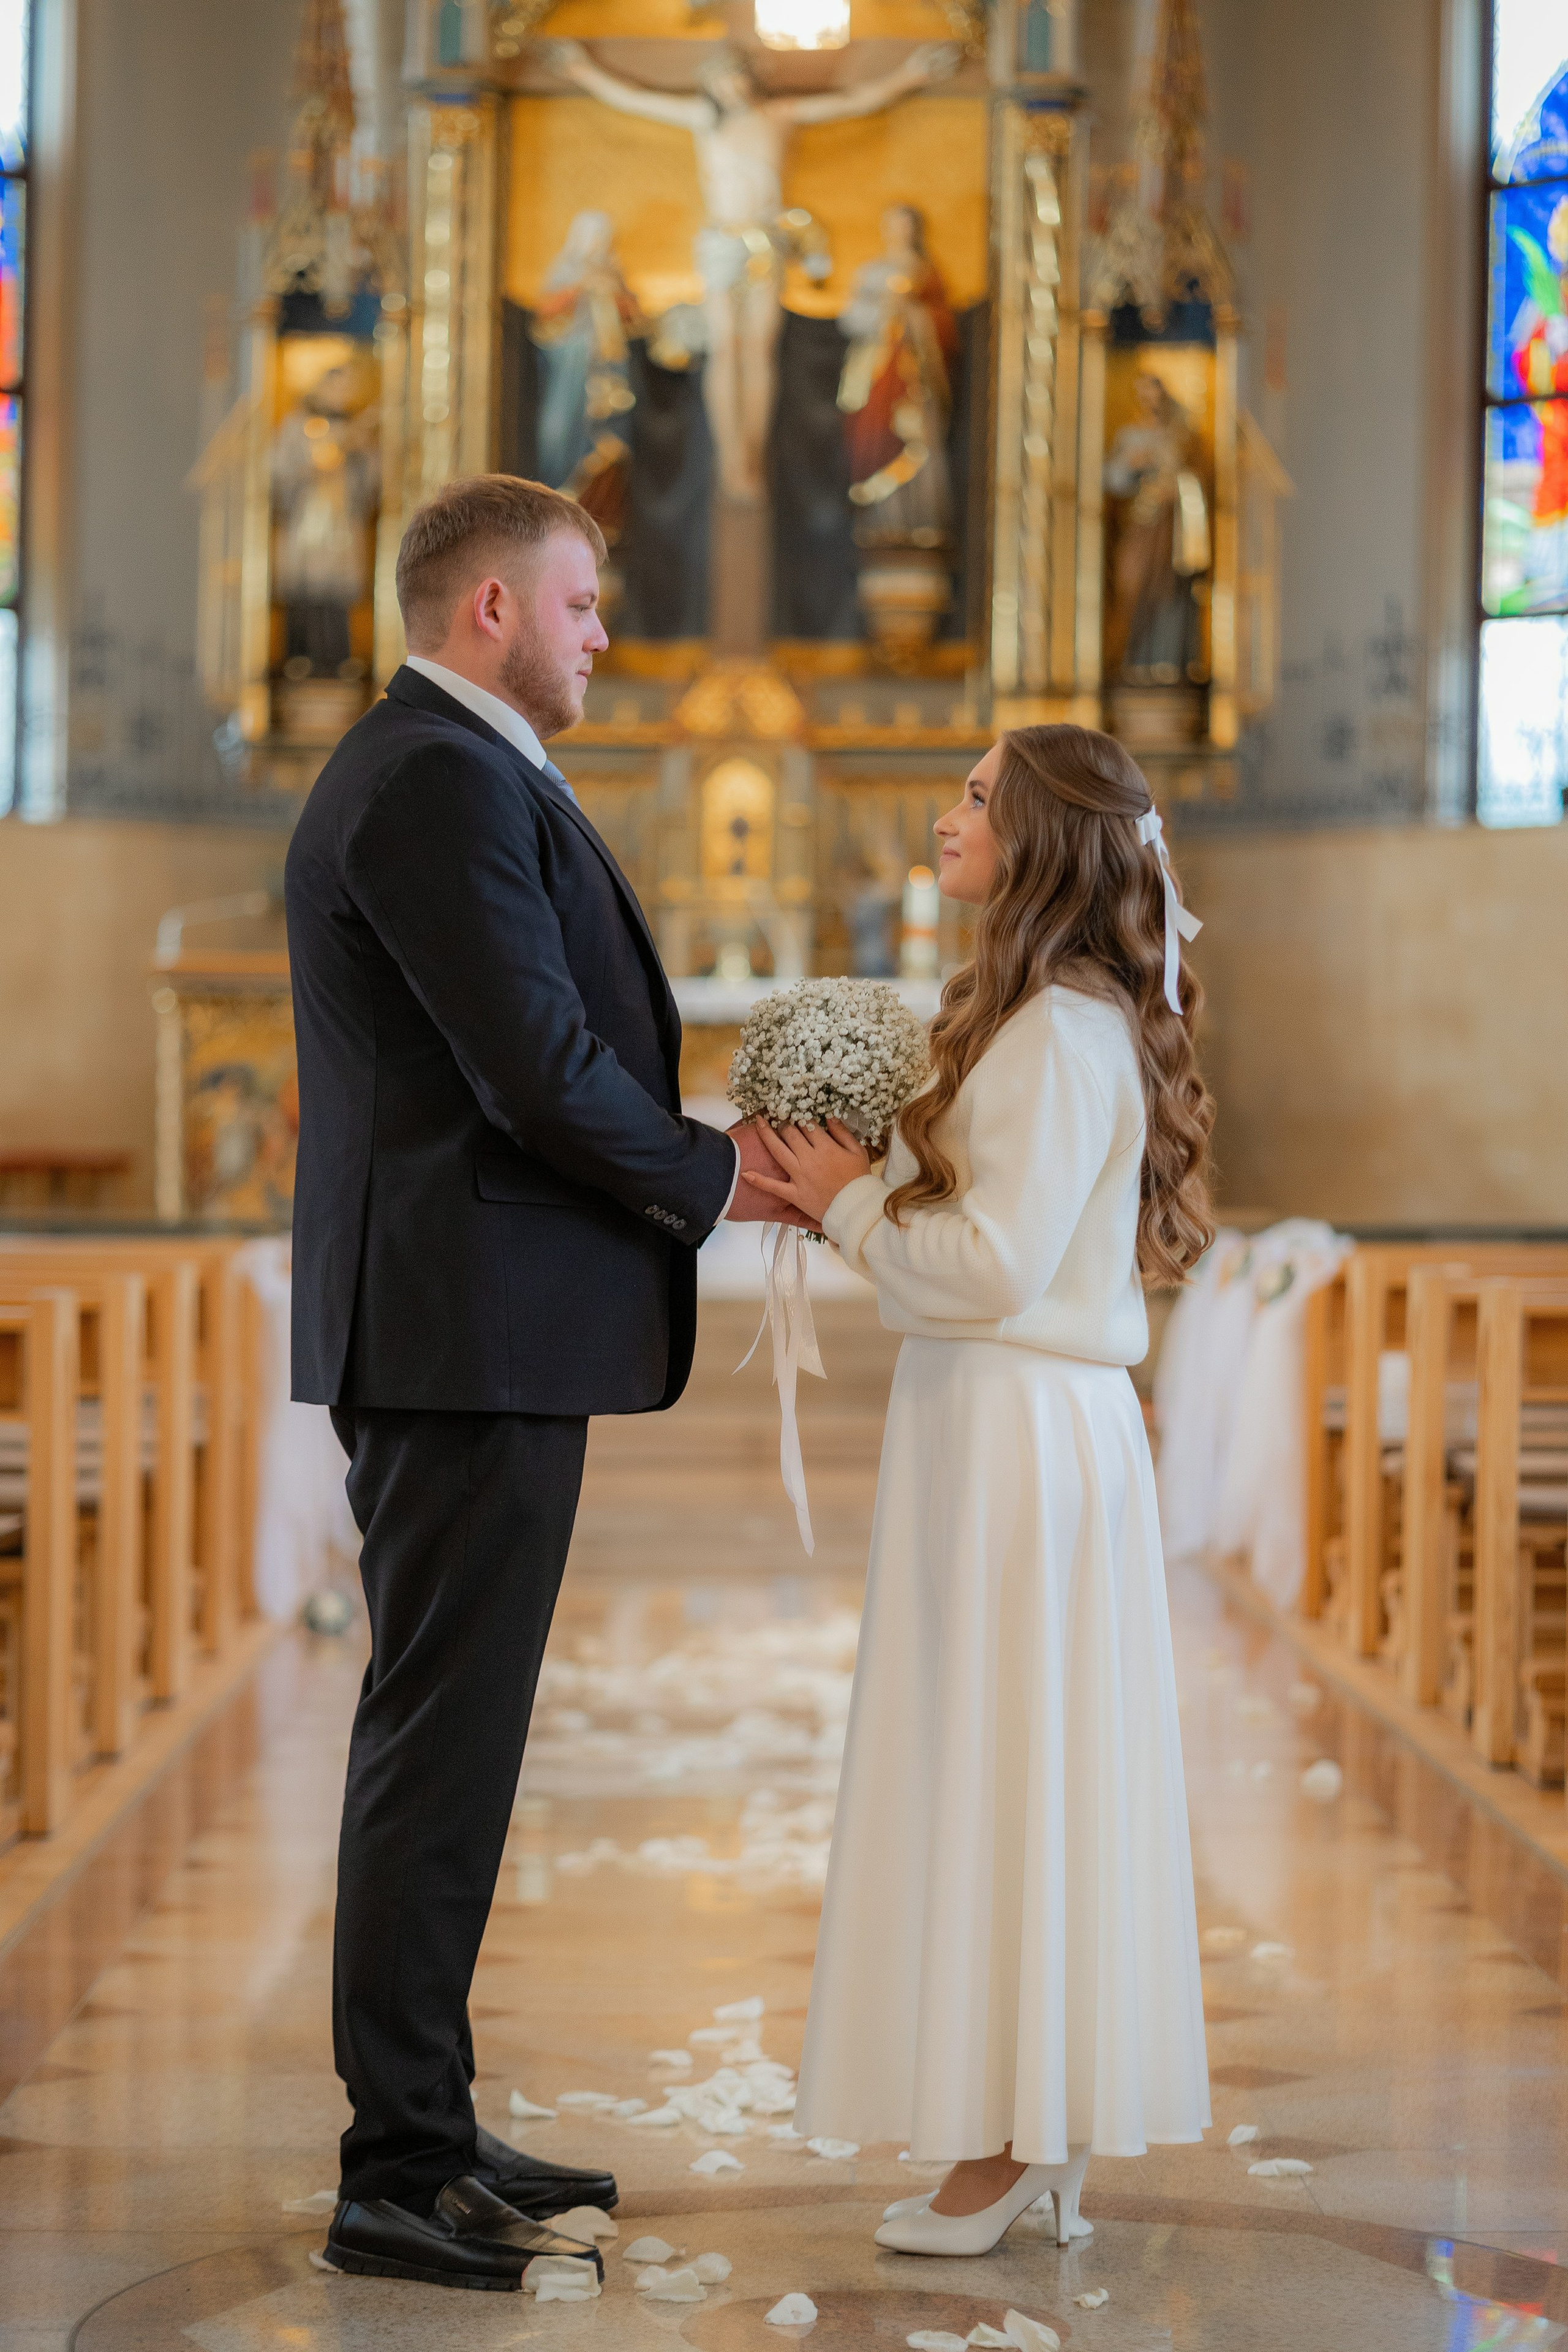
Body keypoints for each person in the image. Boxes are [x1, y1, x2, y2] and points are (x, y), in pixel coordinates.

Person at [284, 473, 801, 2291]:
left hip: (474, 1322)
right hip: (459, 1331)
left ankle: (428, 2124)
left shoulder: (455, 764)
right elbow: (532, 1061)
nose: (602, 631)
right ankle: (393, 2164)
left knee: (455, 1739)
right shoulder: (435, 771)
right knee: (438, 1743)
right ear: (490, 607)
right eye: (580, 603)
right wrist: (724, 1171)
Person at [750, 723, 1215, 2256]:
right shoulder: (1039, 1022)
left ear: (1042, 838)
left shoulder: (1061, 1031)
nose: (946, 812)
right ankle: (1023, 2124)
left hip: (1020, 1436)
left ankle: (1016, 2135)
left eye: (973, 795)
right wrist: (854, 1189)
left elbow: (993, 1264)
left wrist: (850, 1200)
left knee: (1007, 1764)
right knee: (1007, 1762)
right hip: (1002, 1424)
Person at [547, 39, 957, 502]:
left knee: (759, 349)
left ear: (749, 77)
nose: (729, 86)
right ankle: (729, 456)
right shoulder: (705, 120)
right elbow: (637, 99)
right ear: (710, 85)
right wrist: (584, 72)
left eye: (735, 75)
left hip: (766, 239)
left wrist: (910, 75)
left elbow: (850, 102)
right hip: (721, 239)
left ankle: (752, 454)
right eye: (719, 79)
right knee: (726, 348)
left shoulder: (777, 116)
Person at [838, 202, 958, 551]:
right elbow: (851, 319)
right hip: (875, 376)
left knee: (917, 440)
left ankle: (917, 520)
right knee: (876, 442)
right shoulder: (871, 273)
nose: (900, 233)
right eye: (894, 225)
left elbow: (944, 330)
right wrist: (884, 311)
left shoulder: (927, 273)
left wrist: (914, 316)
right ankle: (879, 521)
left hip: (915, 379)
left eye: (907, 226)